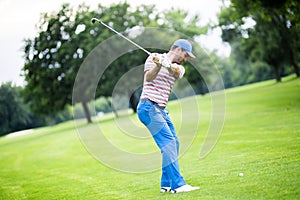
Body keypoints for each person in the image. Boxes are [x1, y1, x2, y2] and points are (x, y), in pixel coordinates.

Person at [137, 39, 200, 194]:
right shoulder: (153, 58)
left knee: (174, 143)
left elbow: (177, 72)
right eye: (185, 55)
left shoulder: (179, 67)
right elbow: (149, 78)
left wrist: (168, 65)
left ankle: (166, 184)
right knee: (169, 143)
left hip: (160, 110)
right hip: (148, 107)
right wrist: (158, 65)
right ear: (178, 49)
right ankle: (178, 185)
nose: (185, 59)